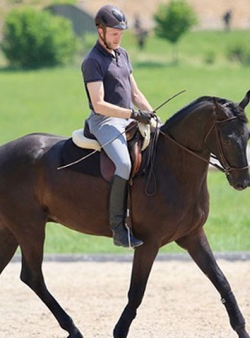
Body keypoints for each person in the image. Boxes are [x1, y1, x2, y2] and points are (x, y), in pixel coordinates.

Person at [81, 5, 155, 249]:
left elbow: (135, 92)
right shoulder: (92, 61)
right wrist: (133, 114)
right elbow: (99, 104)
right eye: (114, 33)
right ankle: (118, 228)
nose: (118, 37)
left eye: (120, 33)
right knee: (123, 163)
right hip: (104, 121)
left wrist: (153, 116)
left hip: (127, 118)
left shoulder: (122, 54)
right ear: (100, 31)